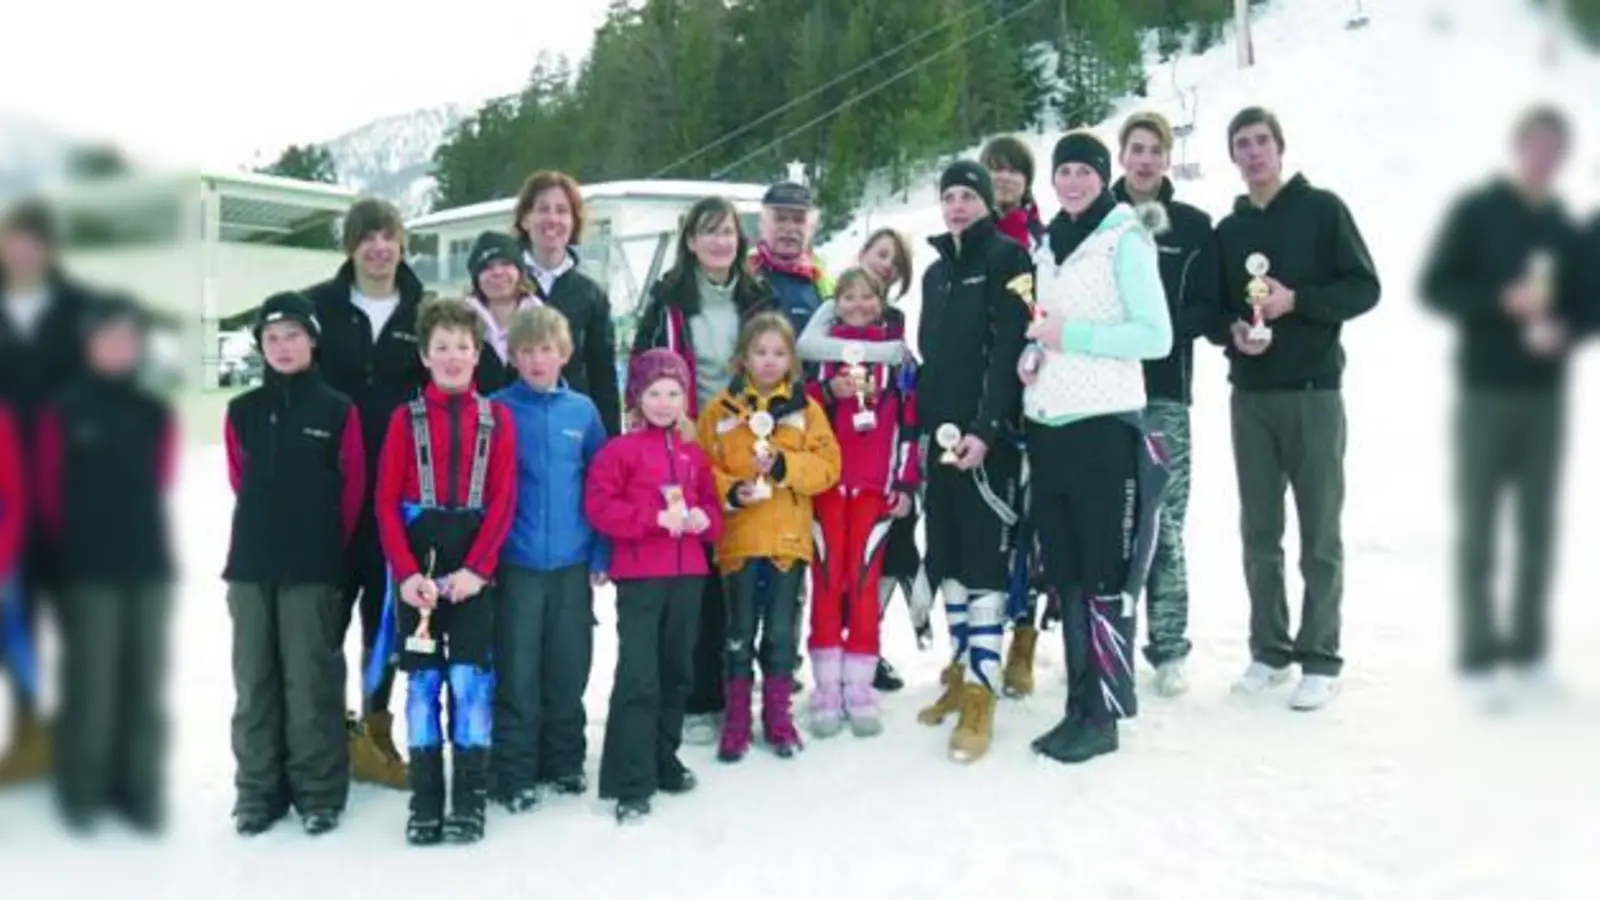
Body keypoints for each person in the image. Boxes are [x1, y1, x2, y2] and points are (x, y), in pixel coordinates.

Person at [1417, 106, 1586, 708]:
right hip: (1485, 392)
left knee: (1538, 525)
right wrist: (1499, 300)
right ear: (1519, 148)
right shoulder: (1478, 215)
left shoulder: (1569, 229)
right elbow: (1436, 285)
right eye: (1534, 145)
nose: (1542, 156)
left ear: (1561, 156)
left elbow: (1590, 302)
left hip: (1545, 396)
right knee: (1481, 523)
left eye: (1553, 148)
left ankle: (1530, 651)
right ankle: (1481, 656)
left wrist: (1563, 329)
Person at [1215, 107, 1380, 711]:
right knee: (1260, 532)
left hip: (1314, 396)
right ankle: (1269, 649)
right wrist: (1236, 328)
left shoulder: (1323, 210)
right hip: (1251, 398)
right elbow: (1214, 305)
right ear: (1233, 157)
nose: (1254, 153)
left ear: (1281, 149)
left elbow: (1365, 287)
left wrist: (1298, 302)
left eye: (1262, 142)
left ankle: (1320, 655)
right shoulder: (1229, 232)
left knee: (1319, 533)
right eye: (1242, 144)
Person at [1018, 131, 1173, 764]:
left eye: (1085, 171)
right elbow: (1046, 327)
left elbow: (1155, 335)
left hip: (1103, 427)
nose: (1074, 182)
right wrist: (1035, 350)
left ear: (1103, 177)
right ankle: (1078, 704)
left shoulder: (1124, 238)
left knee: (1105, 575)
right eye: (1065, 172)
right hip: (1049, 426)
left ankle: (1105, 712)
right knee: (1070, 575)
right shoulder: (1050, 243)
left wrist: (1069, 334)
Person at [629, 197, 776, 746]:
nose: (719, 241)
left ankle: (739, 684)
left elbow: (777, 356)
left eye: (728, 232)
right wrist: (675, 427)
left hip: (746, 439)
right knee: (695, 569)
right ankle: (696, 696)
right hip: (688, 441)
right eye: (707, 232)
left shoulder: (759, 295)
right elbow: (643, 371)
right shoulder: (669, 301)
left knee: (741, 565)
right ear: (689, 241)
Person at [374, 298, 517, 845]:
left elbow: (504, 499)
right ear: (425, 356)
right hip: (420, 568)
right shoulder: (403, 420)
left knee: (470, 680)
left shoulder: (496, 418)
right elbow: (385, 502)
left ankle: (470, 800)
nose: (453, 356)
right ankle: (426, 800)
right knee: (423, 682)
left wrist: (479, 570)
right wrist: (406, 574)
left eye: (464, 346)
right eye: (442, 347)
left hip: (473, 561)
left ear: (479, 354)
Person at [222, 291, 366, 836]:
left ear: (313, 341)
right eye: (272, 338)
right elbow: (240, 479)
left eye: (293, 336)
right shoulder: (243, 412)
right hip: (252, 564)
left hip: (313, 566)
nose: (282, 347)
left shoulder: (337, 410)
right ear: (261, 346)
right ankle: (258, 792)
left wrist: (325, 546)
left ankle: (318, 792)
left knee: (311, 683)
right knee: (254, 683)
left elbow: (352, 492)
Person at [34, 295, 177, 831]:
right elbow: (47, 493)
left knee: (143, 683)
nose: (118, 347)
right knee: (91, 683)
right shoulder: (64, 410)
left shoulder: (152, 412)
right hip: (87, 569)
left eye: (127, 337)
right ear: (89, 344)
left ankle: (137, 789)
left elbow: (159, 479)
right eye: (107, 337)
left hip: (146, 565)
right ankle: (84, 790)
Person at [303, 198, 428, 789]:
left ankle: (377, 731)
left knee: (388, 620)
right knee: (323, 619)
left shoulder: (425, 309)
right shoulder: (318, 308)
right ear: (350, 245)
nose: (379, 248)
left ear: (402, 244)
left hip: (397, 496)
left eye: (389, 237)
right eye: (366, 237)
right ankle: (324, 733)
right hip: (330, 493)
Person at [913, 160, 1032, 763]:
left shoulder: (1010, 259)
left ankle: (984, 691)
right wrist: (921, 432)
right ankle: (962, 667)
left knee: (986, 561)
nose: (957, 206)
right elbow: (931, 360)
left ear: (987, 201)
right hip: (941, 442)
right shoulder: (934, 274)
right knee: (951, 558)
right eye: (949, 196)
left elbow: (1011, 349)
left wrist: (987, 429)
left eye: (968, 196)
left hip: (990, 443)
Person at [1111, 111, 1224, 698]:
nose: (1147, 160)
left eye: (1156, 150)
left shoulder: (1193, 226)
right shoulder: (1095, 220)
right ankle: (1110, 638)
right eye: (1137, 149)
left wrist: (1159, 328)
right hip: (1102, 394)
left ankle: (1170, 645)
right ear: (1122, 156)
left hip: (1165, 394)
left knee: (1166, 523)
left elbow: (1211, 305)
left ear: (1167, 158)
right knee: (1112, 523)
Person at [587, 349, 722, 824]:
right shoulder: (621, 451)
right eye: (654, 393)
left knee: (677, 671)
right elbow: (600, 507)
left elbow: (711, 504)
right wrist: (652, 519)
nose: (664, 403)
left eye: (673, 393)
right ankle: (631, 779)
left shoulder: (692, 453)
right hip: (642, 575)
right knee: (640, 676)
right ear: (636, 398)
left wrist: (706, 519)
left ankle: (664, 757)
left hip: (688, 577)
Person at [698, 313, 840, 762]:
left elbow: (828, 468)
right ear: (742, 358)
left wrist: (784, 467)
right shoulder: (720, 411)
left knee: (781, 633)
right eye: (760, 352)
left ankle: (778, 717)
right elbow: (701, 469)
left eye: (779, 353)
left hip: (786, 542)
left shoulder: (806, 411)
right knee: (738, 634)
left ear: (793, 361)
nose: (769, 361)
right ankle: (737, 720)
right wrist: (730, 492)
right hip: (739, 542)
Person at [796, 228, 927, 691]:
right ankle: (828, 679)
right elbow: (801, 400)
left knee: (866, 575)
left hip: (875, 483)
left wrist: (907, 483)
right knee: (829, 577)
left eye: (895, 262)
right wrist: (829, 391)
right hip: (828, 482)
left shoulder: (897, 343)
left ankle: (861, 671)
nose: (857, 304)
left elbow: (909, 420)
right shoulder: (824, 335)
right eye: (880, 254)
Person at [490, 306, 609, 810]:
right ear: (512, 357)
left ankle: (563, 760)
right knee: (517, 667)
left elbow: (602, 486)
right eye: (527, 351)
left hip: (572, 564)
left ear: (564, 354)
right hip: (516, 564)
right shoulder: (495, 410)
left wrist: (601, 551)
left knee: (568, 665)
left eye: (547, 350)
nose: (538, 360)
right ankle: (514, 770)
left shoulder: (582, 412)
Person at [0, 199, 93, 785]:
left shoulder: (81, 311)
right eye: (15, 238)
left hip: (72, 486)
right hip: (7, 489)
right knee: (18, 610)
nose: (24, 249)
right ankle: (31, 728)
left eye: (35, 239)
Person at [512, 170, 621, 435]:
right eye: (542, 209)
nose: (552, 219)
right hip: (512, 425)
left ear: (573, 222)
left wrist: (610, 444)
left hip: (571, 431)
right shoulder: (504, 284)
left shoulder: (590, 294)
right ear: (526, 219)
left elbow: (602, 375)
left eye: (562, 211)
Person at [748, 182, 830, 336]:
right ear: (762, 224)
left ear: (812, 228)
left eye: (799, 220)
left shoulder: (823, 279)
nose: (789, 228)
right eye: (780, 219)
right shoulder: (745, 273)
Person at [467, 230, 541, 394]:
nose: (497, 272)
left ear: (520, 272)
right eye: (487, 267)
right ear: (476, 278)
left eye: (505, 263)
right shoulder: (461, 323)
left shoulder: (543, 321)